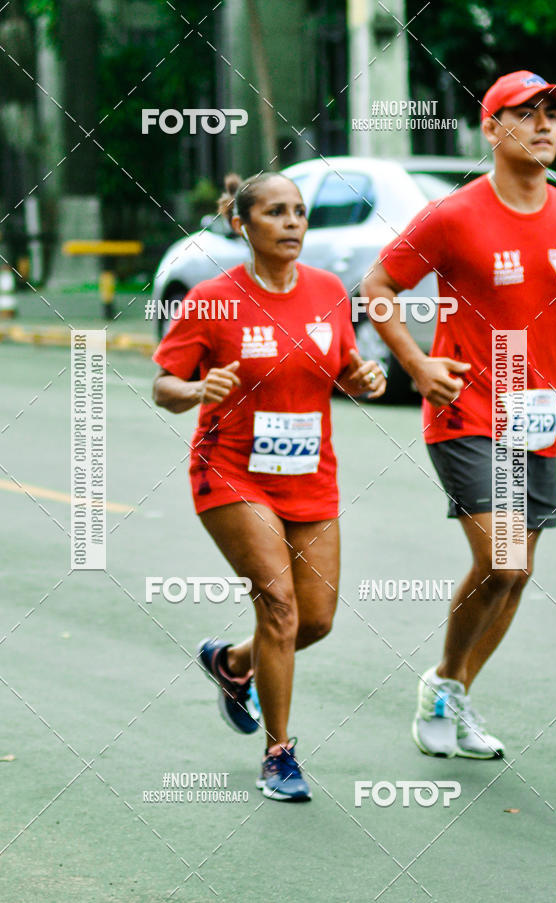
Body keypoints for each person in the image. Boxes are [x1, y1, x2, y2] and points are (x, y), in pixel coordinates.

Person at [361, 71, 556, 759]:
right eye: (526, 113)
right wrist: (416, 363)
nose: (545, 123)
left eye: (552, 112)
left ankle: (449, 689)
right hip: (465, 408)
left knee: (515, 571)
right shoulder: (452, 216)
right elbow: (377, 284)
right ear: (492, 130)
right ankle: (445, 684)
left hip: (536, 416)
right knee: (502, 558)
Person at [152, 171, 386, 800]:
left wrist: (361, 380)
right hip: (230, 472)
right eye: (275, 212)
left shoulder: (330, 291)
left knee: (315, 620)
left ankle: (231, 664)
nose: (291, 223)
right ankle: (279, 754)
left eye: (299, 213)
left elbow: (340, 369)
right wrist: (199, 389)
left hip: (310, 476)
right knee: (279, 607)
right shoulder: (209, 299)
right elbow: (164, 386)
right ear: (242, 224)